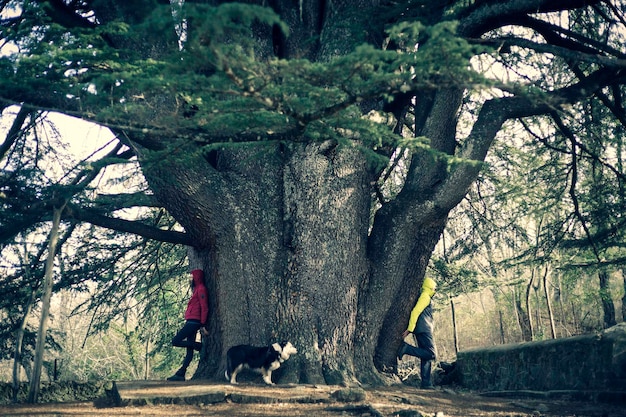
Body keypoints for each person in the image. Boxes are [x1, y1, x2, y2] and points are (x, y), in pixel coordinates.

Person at [167, 268, 210, 381]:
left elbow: (204, 307)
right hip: (191, 320)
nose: (190, 279)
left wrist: (202, 324)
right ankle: (181, 373)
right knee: (189, 349)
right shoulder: (196, 289)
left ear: (197, 278)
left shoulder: (201, 289)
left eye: (192, 277)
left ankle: (199, 346)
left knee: (175, 341)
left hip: (194, 322)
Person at [397, 277, 437, 389]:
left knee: (426, 356)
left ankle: (426, 383)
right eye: (434, 288)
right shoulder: (425, 296)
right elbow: (415, 312)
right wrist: (410, 329)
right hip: (424, 329)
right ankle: (406, 348)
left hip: (423, 329)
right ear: (429, 287)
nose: (435, 290)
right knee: (431, 353)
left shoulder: (425, 296)